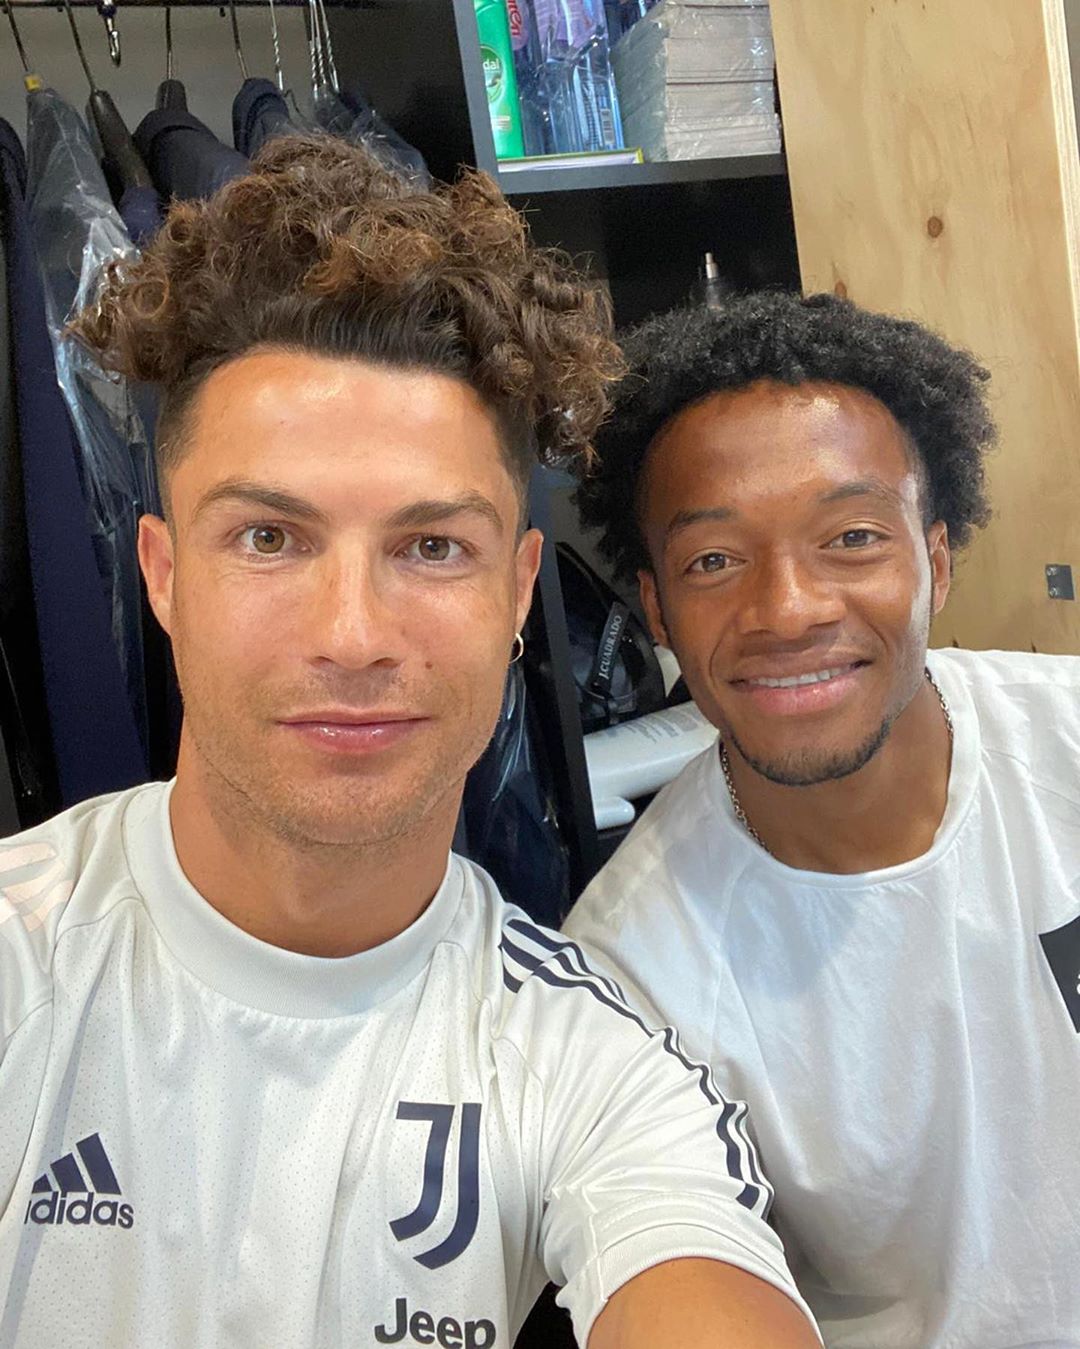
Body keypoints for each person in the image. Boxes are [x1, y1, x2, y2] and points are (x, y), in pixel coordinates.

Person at [0, 141, 820, 1349]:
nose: (352, 634)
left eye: (433, 547)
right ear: (162, 577)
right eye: (269, 538)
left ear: (519, 592)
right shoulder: (24, 962)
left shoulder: (591, 1063)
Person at [564, 291, 1080, 1349]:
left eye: (851, 537)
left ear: (937, 561)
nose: (788, 608)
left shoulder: (1065, 747)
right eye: (715, 560)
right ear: (657, 610)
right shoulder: (629, 972)